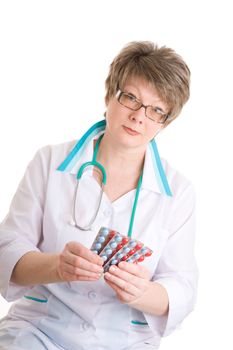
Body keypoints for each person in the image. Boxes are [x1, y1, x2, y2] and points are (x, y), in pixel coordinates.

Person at [0, 41, 198, 350]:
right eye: (130, 97)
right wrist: (56, 267)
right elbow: (7, 250)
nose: (138, 116)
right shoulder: (50, 162)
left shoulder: (178, 192)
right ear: (109, 95)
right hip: (40, 332)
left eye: (156, 110)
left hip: (125, 341)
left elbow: (182, 288)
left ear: (166, 121)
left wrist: (140, 292)